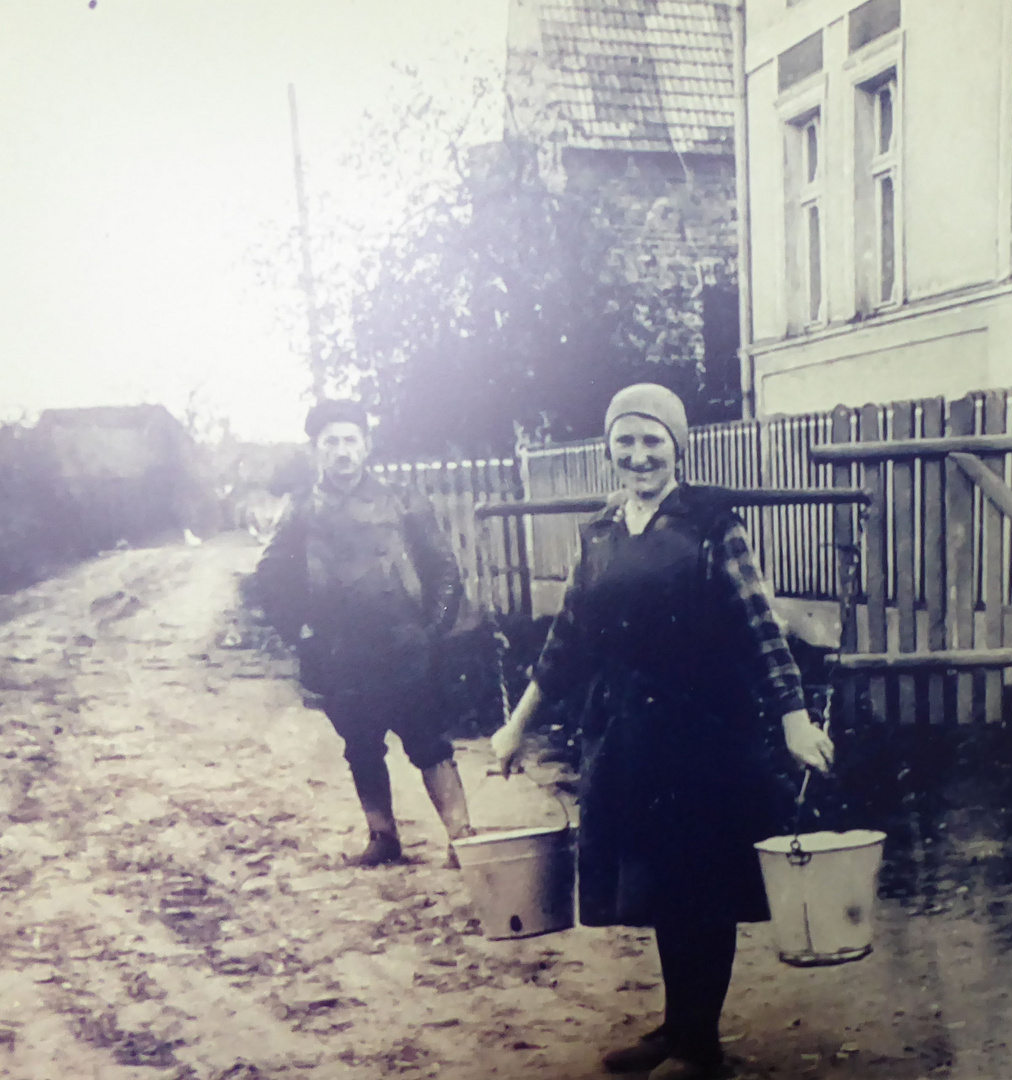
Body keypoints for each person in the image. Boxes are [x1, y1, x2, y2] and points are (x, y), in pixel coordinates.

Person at [491, 383, 835, 1080]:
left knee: (700, 889)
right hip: (628, 738)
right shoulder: (602, 534)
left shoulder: (712, 526)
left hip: (706, 738)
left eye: (653, 441)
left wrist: (796, 719)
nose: (639, 455)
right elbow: (567, 641)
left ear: (678, 447)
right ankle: (679, 1027)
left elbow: (760, 630)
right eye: (626, 440)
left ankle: (699, 1048)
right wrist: (516, 725)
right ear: (609, 448)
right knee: (660, 888)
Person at [254, 399, 474, 868]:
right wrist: (302, 635)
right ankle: (382, 836)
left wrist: (432, 632)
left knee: (428, 742)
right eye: (330, 442)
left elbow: (445, 570)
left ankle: (462, 837)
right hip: (343, 653)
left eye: (350, 440)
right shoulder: (301, 510)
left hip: (405, 646)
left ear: (366, 446)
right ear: (316, 450)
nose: (341, 451)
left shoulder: (403, 499)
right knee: (360, 745)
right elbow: (270, 576)